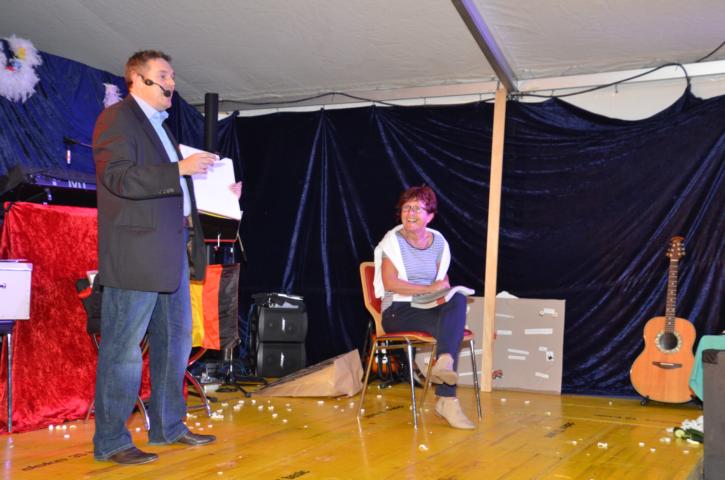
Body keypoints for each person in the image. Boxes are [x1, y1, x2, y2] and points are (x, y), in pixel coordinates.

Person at [92, 50, 219, 465]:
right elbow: (118, 177)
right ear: (137, 78)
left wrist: (215, 194)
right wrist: (180, 169)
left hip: (171, 248)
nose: (172, 83)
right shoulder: (117, 119)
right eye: (163, 75)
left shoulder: (161, 128)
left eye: (173, 75)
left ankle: (168, 426)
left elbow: (173, 189)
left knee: (175, 342)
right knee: (124, 349)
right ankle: (111, 441)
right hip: (136, 252)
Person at [372, 185, 475, 429]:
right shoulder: (393, 242)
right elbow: (391, 283)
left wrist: (443, 289)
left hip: (427, 305)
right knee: (449, 329)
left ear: (430, 216)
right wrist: (429, 289)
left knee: (458, 299)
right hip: (398, 310)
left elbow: (442, 278)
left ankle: (444, 361)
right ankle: (447, 399)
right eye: (406, 208)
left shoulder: (438, 243)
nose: (410, 213)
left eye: (417, 209)